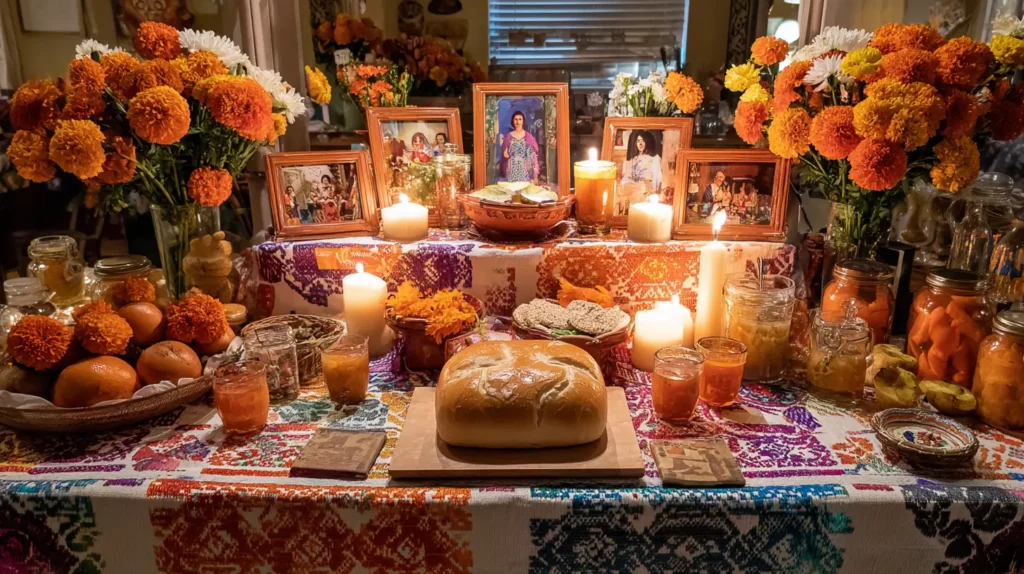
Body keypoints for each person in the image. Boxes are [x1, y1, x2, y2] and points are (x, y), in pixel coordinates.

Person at [619, 130, 663, 212]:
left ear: (648, 142)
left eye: (643, 141)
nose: (640, 144)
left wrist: (651, 190)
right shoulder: (633, 160)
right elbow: (625, 179)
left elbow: (657, 180)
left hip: (646, 195)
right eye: (638, 141)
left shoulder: (654, 159)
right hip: (631, 194)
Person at [498, 110, 539, 183]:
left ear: (523, 121)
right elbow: (505, 155)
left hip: (524, 169)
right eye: (516, 119)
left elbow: (533, 155)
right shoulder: (508, 136)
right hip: (511, 168)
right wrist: (509, 148)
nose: (518, 122)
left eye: (520, 119)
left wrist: (534, 174)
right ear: (513, 121)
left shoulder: (528, 136)